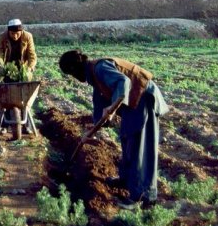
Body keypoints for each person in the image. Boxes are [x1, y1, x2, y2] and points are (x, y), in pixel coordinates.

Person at [59, 49, 169, 209]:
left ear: (75, 69)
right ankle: (125, 180)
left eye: (71, 74)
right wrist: (90, 132)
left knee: (140, 146)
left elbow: (123, 82)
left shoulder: (99, 67)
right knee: (126, 138)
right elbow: (99, 105)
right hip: (133, 102)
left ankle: (143, 196)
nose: (75, 79)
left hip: (143, 98)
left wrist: (112, 107)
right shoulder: (94, 76)